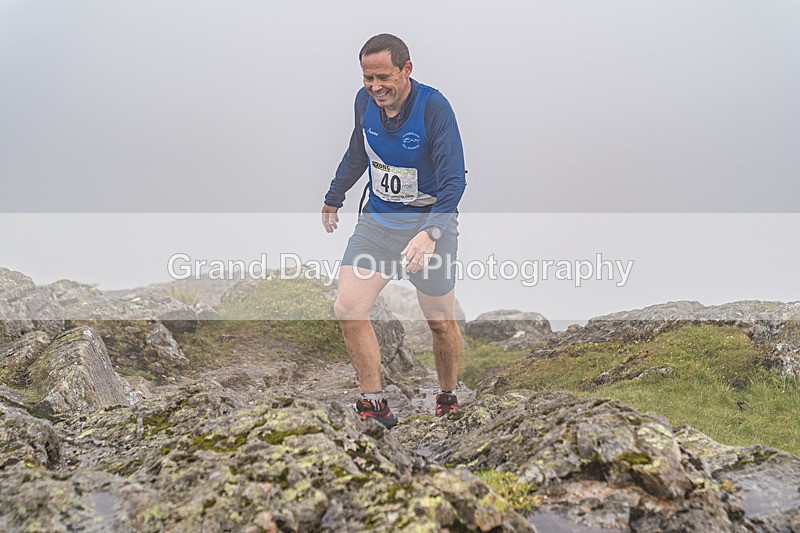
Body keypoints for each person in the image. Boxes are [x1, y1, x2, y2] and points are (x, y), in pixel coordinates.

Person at [322, 34, 466, 429]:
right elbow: (358, 149)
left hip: (429, 223)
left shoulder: (434, 108)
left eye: (383, 76)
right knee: (348, 308)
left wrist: (431, 233)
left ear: (407, 69)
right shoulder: (364, 101)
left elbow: (454, 181)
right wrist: (334, 195)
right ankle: (374, 403)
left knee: (439, 321)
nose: (375, 87)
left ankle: (448, 394)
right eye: (368, 78)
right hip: (379, 223)